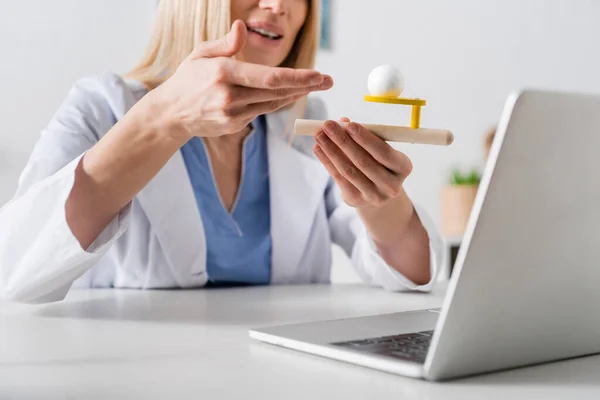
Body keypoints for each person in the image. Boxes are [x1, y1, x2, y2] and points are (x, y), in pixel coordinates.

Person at [0, 0, 443, 304]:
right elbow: (14, 269)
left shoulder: (306, 125)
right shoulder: (101, 108)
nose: (278, 5)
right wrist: (164, 120)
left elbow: (413, 272)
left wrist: (380, 198)